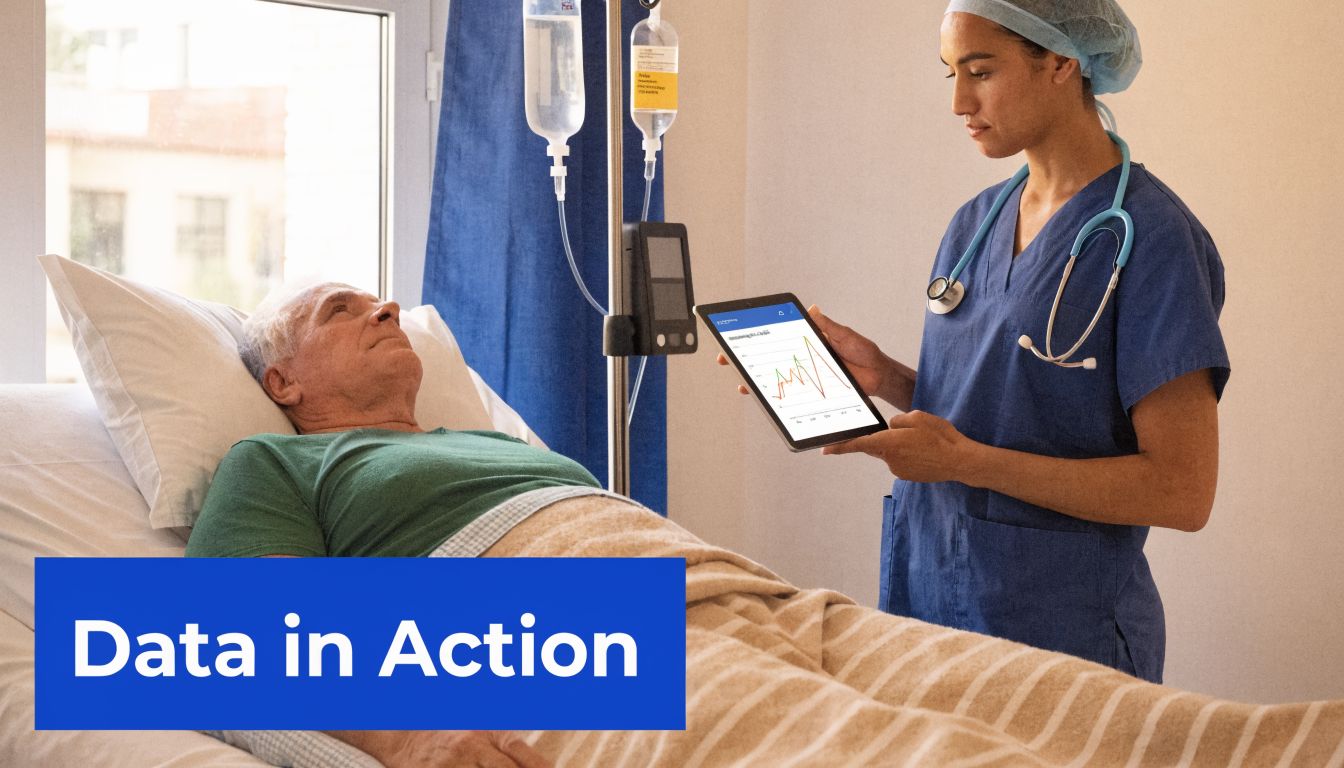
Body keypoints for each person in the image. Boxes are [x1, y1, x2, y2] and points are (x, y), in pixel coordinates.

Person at [722, 0, 1227, 684]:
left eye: (981, 71)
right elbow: (1013, 407)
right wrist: (887, 378)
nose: (959, 101)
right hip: (929, 602)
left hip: (1061, 631)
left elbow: (1182, 491)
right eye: (951, 73)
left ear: (1062, 62)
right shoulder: (976, 224)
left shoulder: (1152, 239)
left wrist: (966, 463)